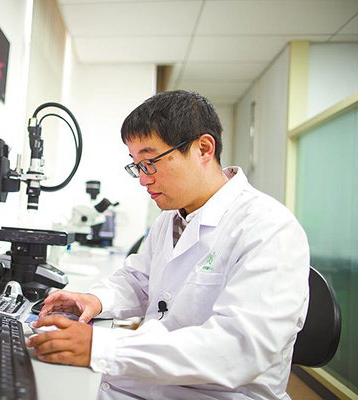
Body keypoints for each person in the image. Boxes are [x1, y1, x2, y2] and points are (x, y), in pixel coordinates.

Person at [26, 90, 310, 399]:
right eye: (137, 165)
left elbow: (240, 349)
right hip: (147, 383)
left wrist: (101, 347)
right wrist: (94, 300)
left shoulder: (268, 228)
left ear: (203, 149)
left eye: (150, 162)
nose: (143, 179)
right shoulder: (171, 218)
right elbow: (138, 279)